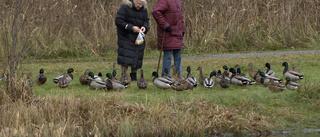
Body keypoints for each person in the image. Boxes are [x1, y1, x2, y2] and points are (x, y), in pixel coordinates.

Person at [115, 0, 149, 81]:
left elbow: (146, 21)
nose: (140, 6)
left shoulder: (143, 9)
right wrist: (131, 27)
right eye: (138, 4)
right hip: (125, 37)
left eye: (142, 4)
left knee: (137, 56)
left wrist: (145, 27)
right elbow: (118, 21)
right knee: (125, 57)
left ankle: (133, 76)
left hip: (138, 37)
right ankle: (124, 76)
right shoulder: (125, 7)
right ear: (134, 1)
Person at [152, 0, 185, 77]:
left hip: (177, 33)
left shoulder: (177, 1)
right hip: (167, 33)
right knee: (167, 57)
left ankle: (179, 76)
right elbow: (156, 12)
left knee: (178, 56)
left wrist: (182, 29)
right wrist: (165, 26)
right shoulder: (164, 1)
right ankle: (166, 77)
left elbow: (181, 17)